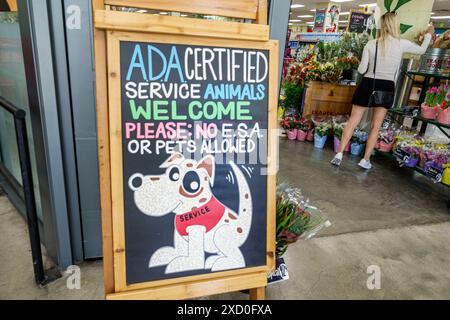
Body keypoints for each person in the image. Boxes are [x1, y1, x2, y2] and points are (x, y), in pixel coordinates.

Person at [331, 12, 434, 170]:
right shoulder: (401, 44)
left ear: (382, 25)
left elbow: (362, 69)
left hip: (368, 84)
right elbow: (421, 50)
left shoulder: (371, 44)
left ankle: (339, 154)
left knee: (353, 121)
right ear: (395, 25)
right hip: (387, 87)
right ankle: (365, 160)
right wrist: (428, 34)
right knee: (376, 126)